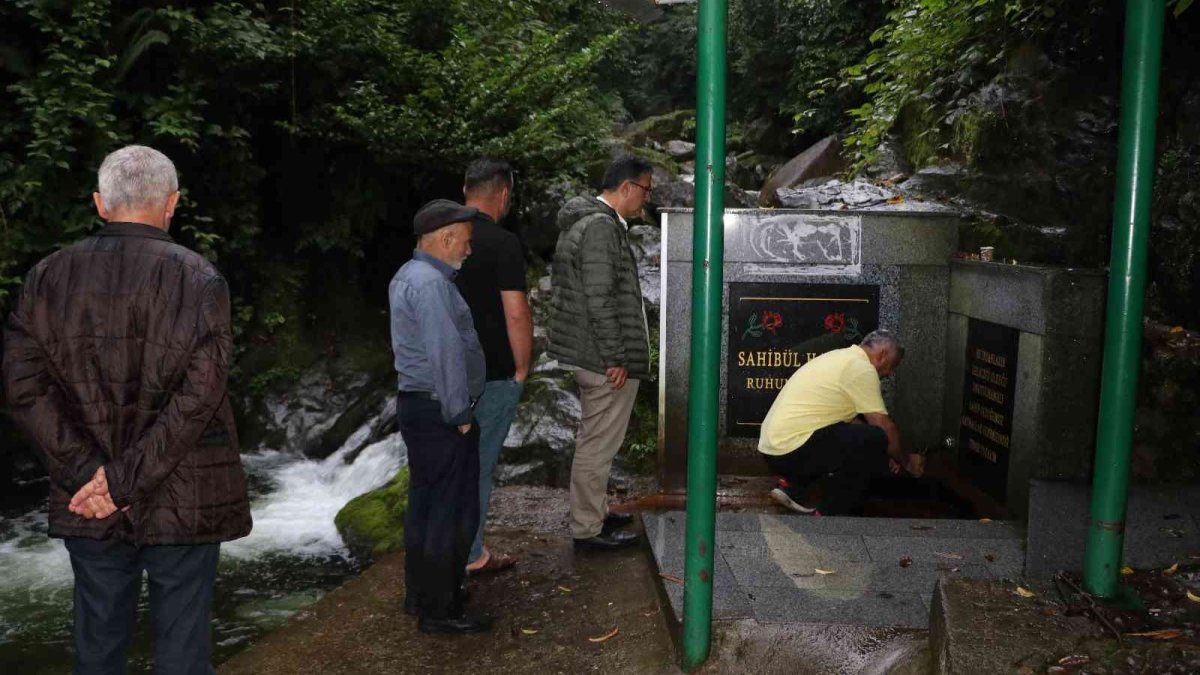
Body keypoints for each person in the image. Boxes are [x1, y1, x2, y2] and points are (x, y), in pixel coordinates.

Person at [2, 145, 252, 673]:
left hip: (86, 498)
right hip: (183, 492)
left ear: (100, 202)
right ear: (172, 203)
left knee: (98, 646)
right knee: (183, 650)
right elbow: (199, 398)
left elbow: (23, 388)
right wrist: (122, 482)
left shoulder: (46, 277)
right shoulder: (200, 279)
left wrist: (93, 479)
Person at [389, 198, 490, 634]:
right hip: (440, 409)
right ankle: (442, 610)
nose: (469, 250)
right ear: (446, 238)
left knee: (426, 507)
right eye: (465, 242)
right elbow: (445, 351)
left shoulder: (410, 276)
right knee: (453, 511)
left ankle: (423, 595)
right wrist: (459, 411)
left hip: (421, 406)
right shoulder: (430, 284)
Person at [547, 155, 653, 549]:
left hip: (591, 353)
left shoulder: (591, 223)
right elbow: (600, 298)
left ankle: (594, 512)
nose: (647, 198)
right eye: (646, 188)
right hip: (601, 359)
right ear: (626, 187)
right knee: (598, 442)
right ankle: (587, 530)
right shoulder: (599, 228)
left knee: (598, 438)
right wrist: (615, 357)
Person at [455, 159, 532, 575]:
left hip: (443, 374)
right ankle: (471, 555)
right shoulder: (503, 243)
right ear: (503, 195)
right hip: (490, 372)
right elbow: (515, 313)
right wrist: (521, 369)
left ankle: (440, 548)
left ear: (465, 188)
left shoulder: (436, 239)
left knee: (445, 466)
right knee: (480, 466)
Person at [757, 329, 924, 516]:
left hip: (773, 449)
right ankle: (830, 511)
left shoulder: (839, 357)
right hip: (790, 451)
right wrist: (907, 461)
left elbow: (849, 426)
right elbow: (885, 428)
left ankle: (792, 487)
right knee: (875, 438)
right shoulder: (861, 368)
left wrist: (888, 452)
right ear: (883, 355)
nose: (891, 373)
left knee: (864, 439)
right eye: (893, 366)